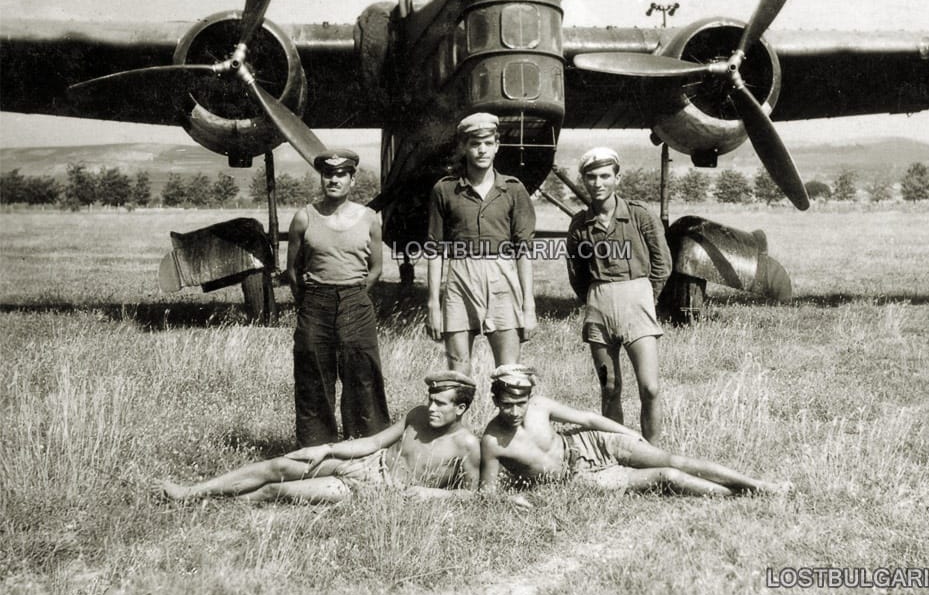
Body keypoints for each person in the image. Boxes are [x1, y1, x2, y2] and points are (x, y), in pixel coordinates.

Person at [161, 371, 480, 503]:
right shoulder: (417, 415)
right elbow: (373, 443)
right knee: (279, 465)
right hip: (367, 463)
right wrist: (326, 449)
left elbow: (475, 495)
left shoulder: (467, 445)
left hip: (379, 491)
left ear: (461, 407)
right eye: (431, 400)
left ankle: (224, 504)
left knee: (277, 490)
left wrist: (433, 495)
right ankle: (191, 492)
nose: (432, 407)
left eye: (441, 403)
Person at [479, 366, 789, 497]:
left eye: (520, 403)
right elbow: (487, 493)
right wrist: (514, 498)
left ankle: (759, 485)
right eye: (507, 404)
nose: (515, 411)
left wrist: (629, 433)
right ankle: (735, 495)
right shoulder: (493, 441)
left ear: (529, 398)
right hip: (578, 478)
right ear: (495, 400)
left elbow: (588, 419)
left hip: (591, 443)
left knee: (673, 460)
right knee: (666, 476)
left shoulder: (539, 406)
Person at [566, 147, 672, 443]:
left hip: (637, 301)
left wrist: (647, 298)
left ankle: (653, 452)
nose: (598, 183)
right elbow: (576, 271)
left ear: (617, 178)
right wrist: (594, 298)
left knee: (649, 387)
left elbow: (662, 263)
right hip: (599, 305)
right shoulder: (580, 224)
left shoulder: (640, 216)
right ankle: (617, 450)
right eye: (591, 177)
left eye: (604, 176)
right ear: (584, 181)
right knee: (609, 386)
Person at [286, 150, 390, 447]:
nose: (334, 179)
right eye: (328, 174)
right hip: (315, 303)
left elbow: (376, 269)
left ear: (352, 179)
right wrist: (309, 302)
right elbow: (293, 270)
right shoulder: (304, 217)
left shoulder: (369, 218)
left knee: (362, 376)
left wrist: (353, 296)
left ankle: (366, 448)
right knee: (313, 378)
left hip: (355, 301)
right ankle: (316, 450)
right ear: (321, 178)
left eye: (341, 174)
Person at [425, 112, 537, 373]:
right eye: (475, 143)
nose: (482, 150)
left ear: (497, 145)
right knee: (457, 376)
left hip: (503, 278)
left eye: (488, 143)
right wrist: (433, 304)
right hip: (460, 279)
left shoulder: (513, 189)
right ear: (464, 146)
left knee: (509, 375)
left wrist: (529, 306)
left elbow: (523, 251)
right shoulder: (445, 189)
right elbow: (434, 250)